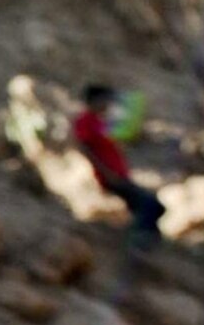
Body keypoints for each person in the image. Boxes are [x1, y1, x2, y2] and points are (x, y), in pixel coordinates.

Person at [70, 82, 165, 246]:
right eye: (105, 99)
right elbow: (85, 148)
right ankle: (136, 241)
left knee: (144, 207)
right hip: (111, 176)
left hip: (119, 173)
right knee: (150, 205)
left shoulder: (100, 121)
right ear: (95, 100)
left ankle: (147, 243)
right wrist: (106, 172)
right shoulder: (85, 121)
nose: (107, 103)